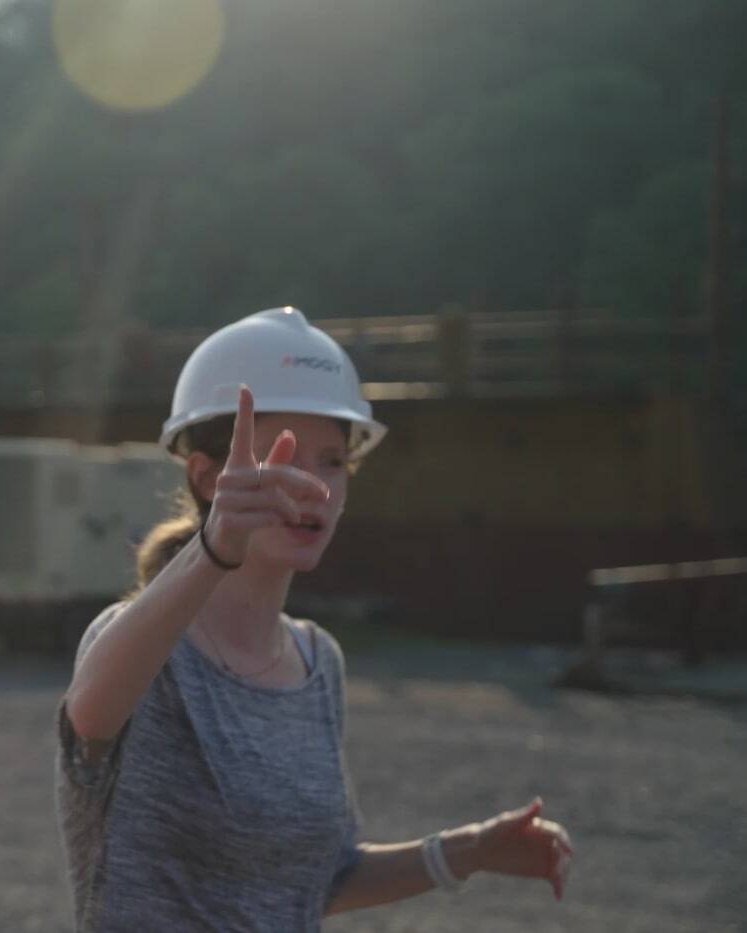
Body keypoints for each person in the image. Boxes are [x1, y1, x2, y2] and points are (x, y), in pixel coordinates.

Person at [55, 307, 574, 931]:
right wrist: (216, 549)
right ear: (207, 476)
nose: (319, 489)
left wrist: (469, 850)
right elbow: (87, 712)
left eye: (333, 461)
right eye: (288, 458)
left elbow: (318, 879)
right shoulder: (141, 642)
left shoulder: (316, 662)